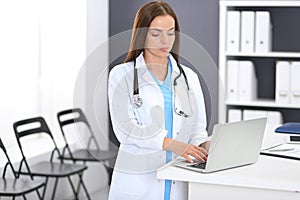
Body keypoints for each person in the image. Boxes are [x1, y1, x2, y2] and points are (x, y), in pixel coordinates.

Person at [108, 1, 210, 200]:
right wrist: (172, 144)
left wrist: (206, 147)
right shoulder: (122, 75)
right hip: (138, 180)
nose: (165, 40)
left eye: (171, 32)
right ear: (141, 34)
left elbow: (198, 129)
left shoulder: (188, 77)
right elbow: (125, 130)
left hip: (178, 177)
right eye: (156, 33)